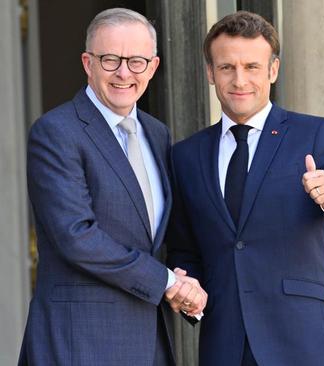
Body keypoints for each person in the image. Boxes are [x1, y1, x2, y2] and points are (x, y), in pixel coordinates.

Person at [166, 10, 324, 366]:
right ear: (209, 73)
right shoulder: (185, 156)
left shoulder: (315, 133)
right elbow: (186, 250)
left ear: (273, 71)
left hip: (305, 340)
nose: (239, 80)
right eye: (226, 67)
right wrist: (188, 292)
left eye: (251, 67)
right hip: (225, 344)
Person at [19, 8, 206, 366]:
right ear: (88, 63)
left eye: (136, 61)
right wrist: (166, 281)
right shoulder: (56, 132)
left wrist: (185, 283)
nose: (124, 73)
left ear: (152, 67)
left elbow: (158, 236)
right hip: (80, 342)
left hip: (150, 339)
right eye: (110, 60)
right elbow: (77, 236)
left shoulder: (156, 133)